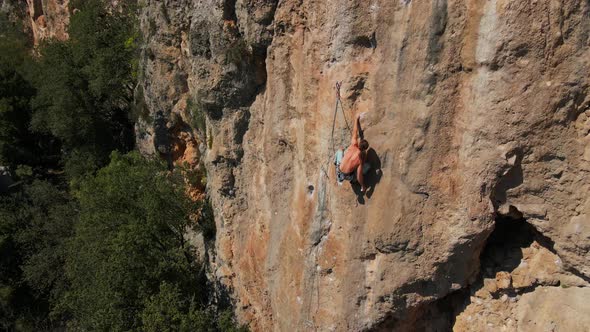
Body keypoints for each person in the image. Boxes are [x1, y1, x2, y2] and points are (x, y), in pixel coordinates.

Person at [334, 113, 370, 192]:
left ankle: (335, 162)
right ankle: (352, 181)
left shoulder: (353, 144)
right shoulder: (360, 158)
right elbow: (359, 176)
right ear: (364, 150)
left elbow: (355, 131)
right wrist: (363, 186)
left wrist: (356, 119)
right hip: (345, 175)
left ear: (359, 143)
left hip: (338, 168)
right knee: (367, 167)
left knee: (340, 150)